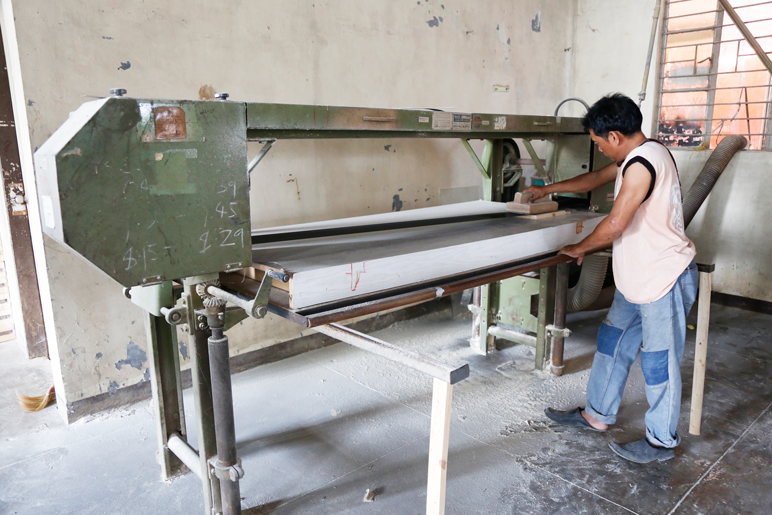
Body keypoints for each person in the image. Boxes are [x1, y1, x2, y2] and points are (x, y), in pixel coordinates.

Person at [524, 93, 698, 464]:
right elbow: (593, 180)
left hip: (663, 280)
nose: (599, 149)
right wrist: (546, 190)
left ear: (615, 136)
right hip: (637, 279)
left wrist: (579, 247)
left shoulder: (641, 164)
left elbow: (616, 223)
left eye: (599, 142)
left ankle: (660, 441)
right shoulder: (637, 154)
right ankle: (597, 415)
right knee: (612, 342)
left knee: (658, 362)